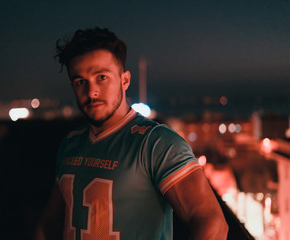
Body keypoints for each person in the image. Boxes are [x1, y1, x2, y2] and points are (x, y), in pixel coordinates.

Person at [34, 27, 228, 240]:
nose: (91, 92)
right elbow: (50, 224)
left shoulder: (157, 143)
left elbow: (212, 223)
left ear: (125, 80)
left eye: (101, 77)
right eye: (80, 82)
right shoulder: (70, 143)